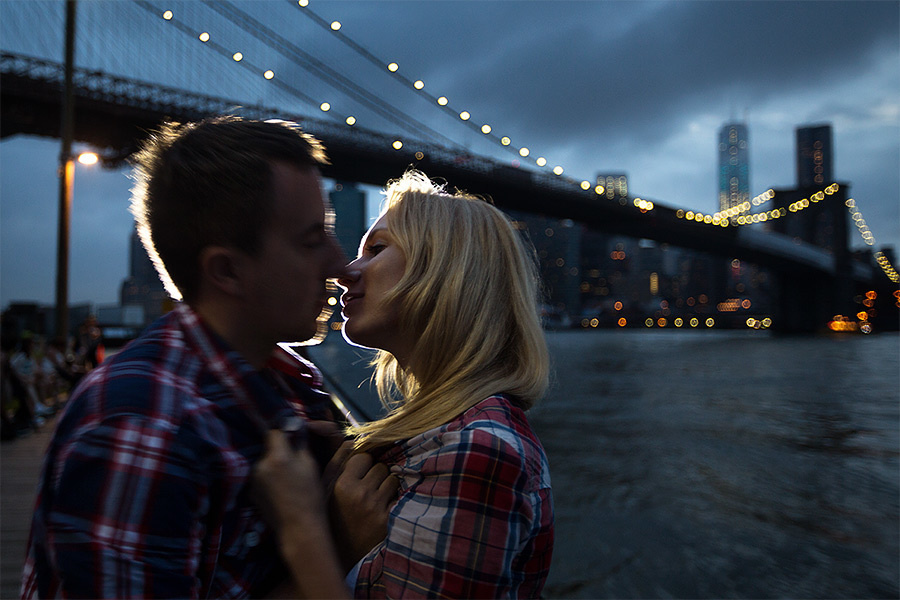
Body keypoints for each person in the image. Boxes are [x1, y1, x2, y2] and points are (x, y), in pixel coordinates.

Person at [21, 116, 396, 599]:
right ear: (227, 271)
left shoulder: (286, 383)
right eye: (310, 241)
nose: (340, 263)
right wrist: (331, 544)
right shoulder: (143, 425)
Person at [257, 169, 555, 598]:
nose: (345, 271)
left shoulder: (480, 452)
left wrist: (312, 534)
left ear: (445, 272)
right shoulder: (446, 438)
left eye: (375, 249)